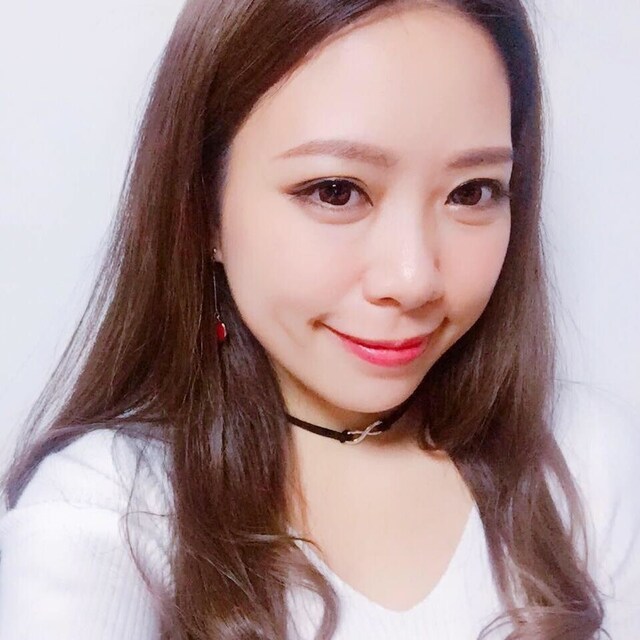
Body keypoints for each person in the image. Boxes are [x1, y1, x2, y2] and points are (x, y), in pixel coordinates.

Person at [0, 0, 638, 638]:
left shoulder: (583, 460)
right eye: (336, 191)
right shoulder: (104, 513)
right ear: (203, 211)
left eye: (471, 192)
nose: (413, 278)